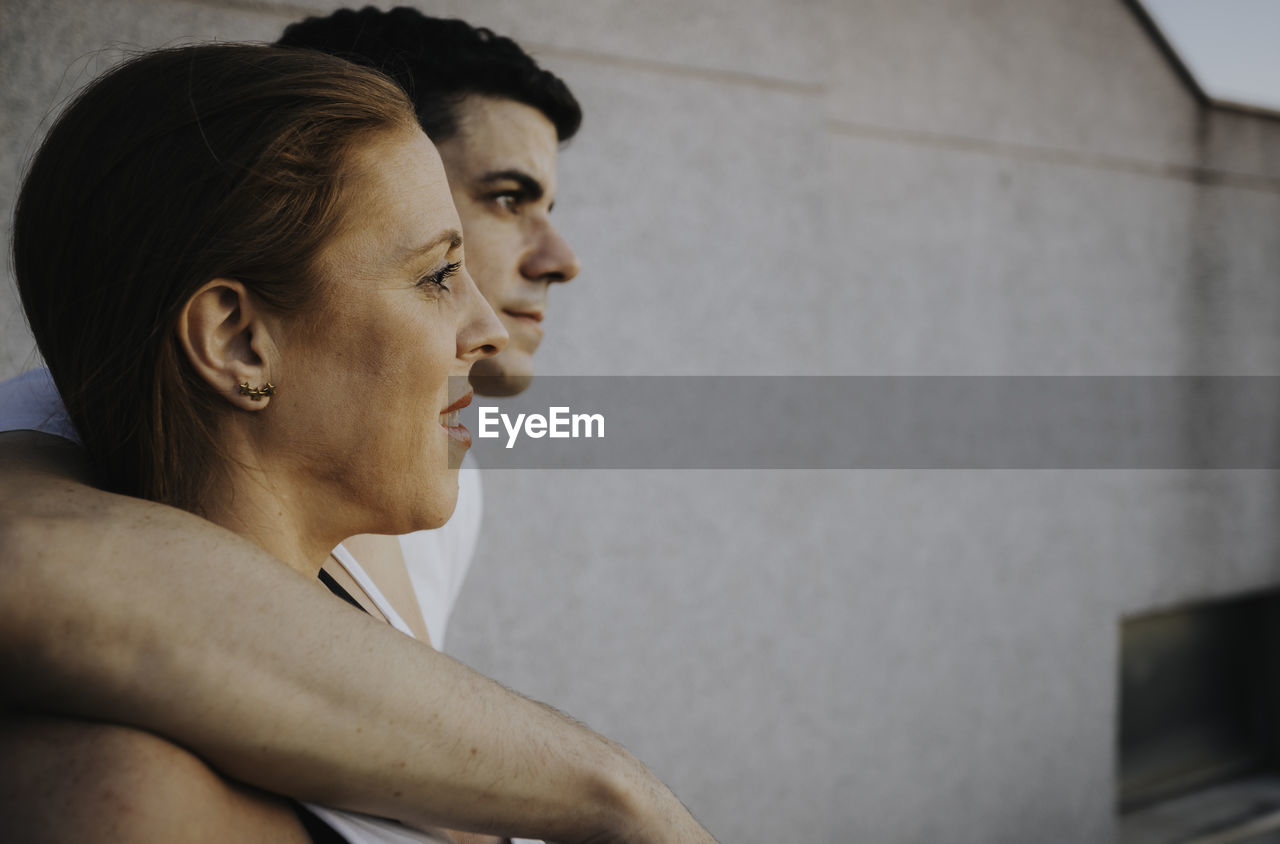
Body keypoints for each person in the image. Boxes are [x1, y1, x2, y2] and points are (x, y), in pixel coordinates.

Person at [0, 26, 713, 844]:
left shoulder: (395, 498)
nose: (486, 320)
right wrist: (621, 799)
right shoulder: (127, 794)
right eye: (442, 270)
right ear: (236, 342)